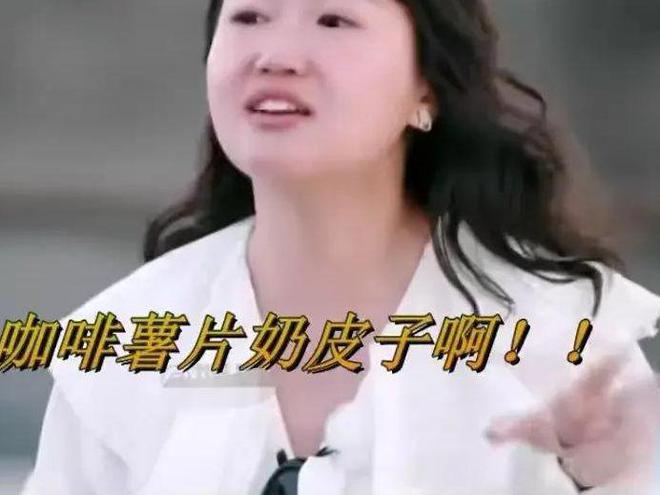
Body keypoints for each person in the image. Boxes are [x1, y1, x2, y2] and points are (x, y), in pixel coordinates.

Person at [22, 0, 660, 494]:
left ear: (426, 87)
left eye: (334, 20)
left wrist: (593, 479)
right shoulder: (126, 345)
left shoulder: (559, 334)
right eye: (248, 17)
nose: (276, 55)